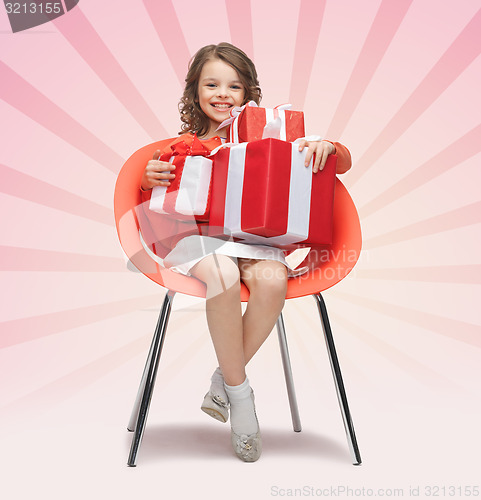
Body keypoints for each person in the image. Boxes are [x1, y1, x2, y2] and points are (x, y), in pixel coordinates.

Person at [139, 43, 352, 462]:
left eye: (234, 85)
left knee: (273, 280)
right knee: (222, 275)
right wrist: (150, 175)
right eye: (212, 84)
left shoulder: (271, 137)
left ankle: (222, 382)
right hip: (197, 241)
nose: (223, 93)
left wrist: (329, 146)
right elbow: (152, 191)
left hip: (255, 242)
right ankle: (242, 400)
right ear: (194, 91)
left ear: (248, 92)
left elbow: (340, 163)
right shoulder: (184, 145)